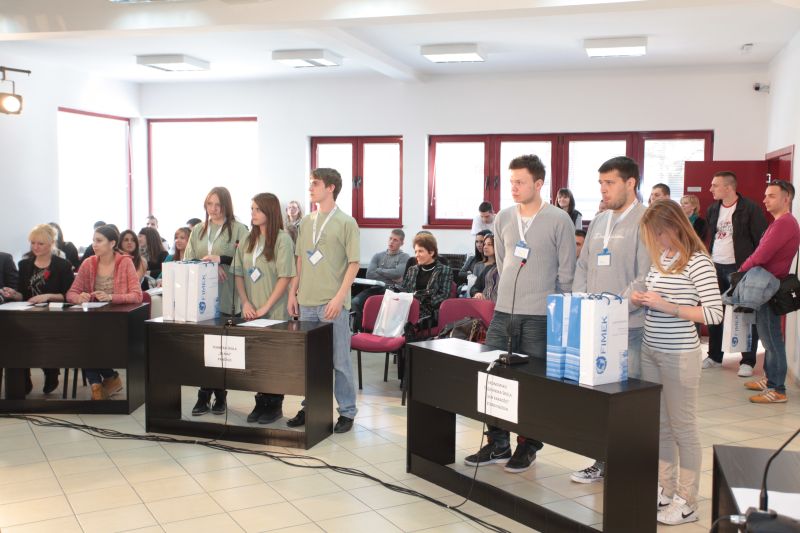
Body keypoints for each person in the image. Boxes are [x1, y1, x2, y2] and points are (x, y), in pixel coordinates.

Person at [464, 154, 575, 474]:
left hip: (540, 315)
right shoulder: (503, 218)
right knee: (491, 377)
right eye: (511, 181)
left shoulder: (559, 220)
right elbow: (502, 261)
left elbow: (567, 272)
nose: (513, 187)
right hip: (503, 312)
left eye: (520, 182)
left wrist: (558, 314)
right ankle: (498, 442)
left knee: (532, 384)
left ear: (539, 184)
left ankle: (528, 445)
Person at [630, 200, 723, 525]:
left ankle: (688, 500)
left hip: (680, 354)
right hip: (651, 350)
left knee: (684, 428)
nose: (655, 241)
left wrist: (667, 306)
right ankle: (665, 489)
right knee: (662, 425)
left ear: (673, 227)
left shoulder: (698, 262)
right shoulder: (662, 258)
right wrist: (640, 298)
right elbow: (655, 295)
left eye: (658, 234)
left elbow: (713, 313)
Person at [569, 156, 651, 485]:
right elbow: (583, 267)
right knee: (599, 401)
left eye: (610, 183)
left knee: (626, 402)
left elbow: (645, 277)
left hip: (628, 327)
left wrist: (612, 310)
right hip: (594, 325)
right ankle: (602, 461)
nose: (603, 190)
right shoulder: (600, 220)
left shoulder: (647, 220)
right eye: (600, 183)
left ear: (631, 183)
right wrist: (581, 304)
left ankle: (627, 466)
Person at [287, 168, 360, 434]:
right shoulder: (306, 222)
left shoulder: (346, 222)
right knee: (311, 362)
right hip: (307, 302)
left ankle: (347, 411)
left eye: (315, 184)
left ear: (330, 188)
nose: (310, 188)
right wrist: (293, 293)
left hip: (332, 304)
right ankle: (311, 407)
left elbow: (354, 263)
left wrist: (339, 298)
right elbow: (300, 259)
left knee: (339, 362)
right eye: (310, 183)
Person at [185, 186, 250, 415]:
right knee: (204, 351)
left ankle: (220, 396)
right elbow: (188, 260)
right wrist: (209, 265)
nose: (213, 209)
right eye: (209, 204)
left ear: (226, 206)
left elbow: (246, 260)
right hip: (202, 299)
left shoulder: (239, 229)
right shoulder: (198, 230)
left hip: (228, 298)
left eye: (218, 205)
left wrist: (221, 259)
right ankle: (204, 396)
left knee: (222, 351)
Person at [235, 193, 296, 423]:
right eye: (251, 209)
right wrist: (245, 302)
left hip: (274, 311)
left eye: (258, 209)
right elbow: (239, 274)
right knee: (255, 360)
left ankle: (274, 404)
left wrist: (265, 307)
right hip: (251, 312)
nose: (253, 213)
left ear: (270, 211)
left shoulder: (282, 239)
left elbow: (285, 276)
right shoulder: (247, 239)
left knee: (274, 360)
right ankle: (260, 401)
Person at [739, 180, 800, 403]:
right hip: (765, 285)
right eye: (766, 195)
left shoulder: (785, 223)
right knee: (767, 337)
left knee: (772, 339)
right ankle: (770, 379)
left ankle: (778, 390)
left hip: (769, 286)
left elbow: (762, 254)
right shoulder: (779, 222)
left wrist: (741, 270)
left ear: (786, 198)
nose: (765, 200)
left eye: (771, 196)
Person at [67, 225, 143, 400]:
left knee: (87, 341)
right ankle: (100, 382)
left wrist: (111, 297)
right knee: (83, 339)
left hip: (118, 321)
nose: (94, 244)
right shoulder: (88, 263)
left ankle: (105, 380)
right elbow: (71, 293)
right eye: (93, 240)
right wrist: (79, 298)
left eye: (99, 241)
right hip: (93, 321)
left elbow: (137, 295)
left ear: (112, 243)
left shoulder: (125, 262)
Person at [703, 171, 767, 377]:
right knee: (715, 312)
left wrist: (752, 267)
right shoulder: (713, 209)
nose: (711, 189)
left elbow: (762, 240)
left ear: (729, 187)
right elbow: (712, 237)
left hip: (740, 269)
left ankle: (747, 361)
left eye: (715, 185)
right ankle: (714, 356)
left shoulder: (750, 208)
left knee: (745, 313)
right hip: (716, 267)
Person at [1, 224, 75, 395]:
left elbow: (69, 295)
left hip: (54, 315)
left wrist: (47, 296)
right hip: (29, 314)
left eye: (40, 243)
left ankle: (50, 370)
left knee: (41, 335)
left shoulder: (63, 265)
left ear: (51, 244)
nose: (35, 247)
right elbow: (23, 294)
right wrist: (14, 294)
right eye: (33, 243)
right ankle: (24, 378)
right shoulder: (24, 264)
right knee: (16, 336)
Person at [351, 229, 409, 332]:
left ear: (402, 243)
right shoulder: (377, 256)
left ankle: (381, 332)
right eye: (390, 238)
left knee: (378, 306)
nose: (391, 242)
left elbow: (398, 273)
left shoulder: (404, 257)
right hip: (375, 288)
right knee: (355, 302)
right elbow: (369, 275)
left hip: (392, 289)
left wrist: (379, 270)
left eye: (395, 240)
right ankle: (362, 331)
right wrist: (391, 276)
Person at [400, 232, 454, 325]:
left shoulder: (445, 270)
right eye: (416, 251)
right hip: (408, 310)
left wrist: (420, 303)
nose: (417, 255)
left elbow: (444, 295)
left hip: (430, 313)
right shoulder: (412, 270)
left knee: (406, 324)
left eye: (420, 251)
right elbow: (404, 290)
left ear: (431, 252)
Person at [470, 234, 499, 303]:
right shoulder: (488, 268)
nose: (485, 247)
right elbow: (474, 288)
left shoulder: (503, 268)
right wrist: (477, 293)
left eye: (489, 244)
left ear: (497, 246)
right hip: (485, 303)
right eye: (485, 244)